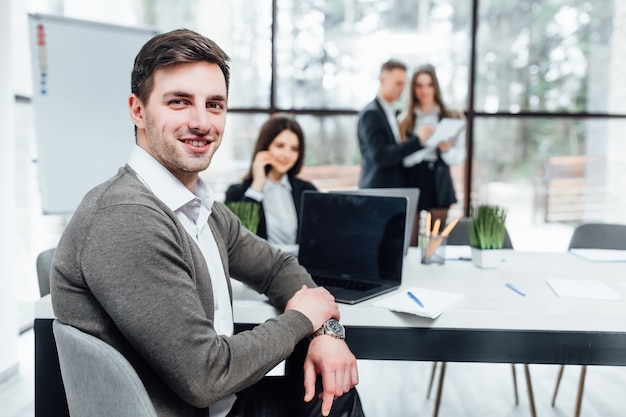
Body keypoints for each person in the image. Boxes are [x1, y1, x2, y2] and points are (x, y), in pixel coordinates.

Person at [50, 29, 364, 417]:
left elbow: (277, 266)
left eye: (214, 105)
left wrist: (326, 332)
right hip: (193, 408)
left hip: (222, 403)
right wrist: (304, 319)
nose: (201, 122)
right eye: (179, 102)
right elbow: (205, 376)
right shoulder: (126, 217)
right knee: (334, 395)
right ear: (137, 110)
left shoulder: (198, 205)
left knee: (333, 386)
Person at [398, 64, 466, 244]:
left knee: (435, 242)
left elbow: (459, 157)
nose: (424, 90)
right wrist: (423, 143)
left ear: (435, 86)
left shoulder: (452, 116)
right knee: (409, 241)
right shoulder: (405, 120)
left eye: (429, 85)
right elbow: (403, 159)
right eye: (419, 85)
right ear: (413, 89)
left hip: (440, 177)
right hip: (413, 177)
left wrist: (445, 150)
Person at [224, 113, 316, 245]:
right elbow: (237, 242)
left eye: (294, 149)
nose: (286, 155)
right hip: (259, 265)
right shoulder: (236, 193)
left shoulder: (307, 191)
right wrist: (257, 185)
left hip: (299, 265)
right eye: (280, 146)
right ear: (265, 146)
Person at [357, 59, 424, 189]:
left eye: (404, 84)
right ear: (382, 80)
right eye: (398, 83)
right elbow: (381, 156)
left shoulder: (394, 113)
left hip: (395, 188)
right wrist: (418, 141)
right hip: (378, 190)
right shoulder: (371, 114)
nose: (402, 89)